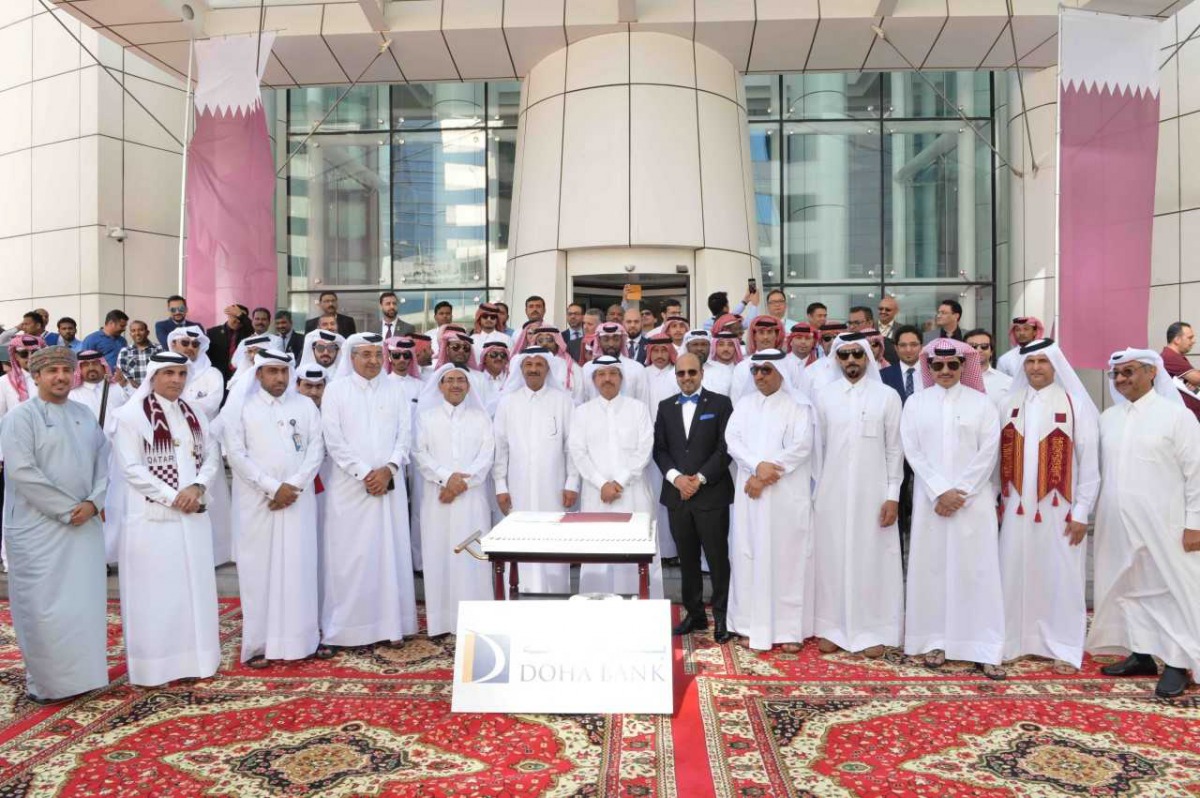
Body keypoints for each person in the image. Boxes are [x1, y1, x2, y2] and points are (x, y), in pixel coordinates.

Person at [1087, 348, 1200, 698]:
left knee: (1172, 592)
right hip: (1118, 524)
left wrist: (1195, 523)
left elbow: (1196, 473)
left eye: (1129, 372)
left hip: (1165, 525)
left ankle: (1179, 664)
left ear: (1152, 373)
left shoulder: (1176, 417)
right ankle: (1141, 654)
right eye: (1116, 374)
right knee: (1128, 589)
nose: (1121, 380)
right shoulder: (1109, 417)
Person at [0, 347, 109, 703]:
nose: (61, 376)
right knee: (44, 609)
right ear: (37, 376)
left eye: (66, 369)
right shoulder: (20, 417)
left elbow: (103, 461)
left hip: (85, 524)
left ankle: (84, 677)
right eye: (52, 371)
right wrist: (67, 509)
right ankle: (48, 685)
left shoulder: (84, 414)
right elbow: (21, 472)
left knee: (84, 604)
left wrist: (94, 502)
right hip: (38, 530)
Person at [113, 351, 222, 686]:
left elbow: (212, 455)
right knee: (158, 594)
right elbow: (131, 468)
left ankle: (199, 661)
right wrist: (176, 496)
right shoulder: (131, 415)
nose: (176, 380)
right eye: (169, 373)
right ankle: (156, 668)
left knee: (195, 590)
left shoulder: (196, 414)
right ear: (154, 376)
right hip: (153, 520)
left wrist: (199, 487)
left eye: (181, 373)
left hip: (193, 515)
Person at [900, 339, 1005, 679]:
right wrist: (939, 490)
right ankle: (934, 640)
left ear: (964, 366)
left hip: (972, 504)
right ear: (928, 368)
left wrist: (960, 492)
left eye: (952, 365)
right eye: (938, 366)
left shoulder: (983, 404)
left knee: (977, 571)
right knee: (932, 570)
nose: (945, 371)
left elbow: (989, 452)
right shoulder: (915, 404)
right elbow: (912, 451)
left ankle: (983, 645)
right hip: (932, 503)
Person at [221, 349, 330, 668]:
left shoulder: (305, 405)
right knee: (260, 570)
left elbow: (316, 449)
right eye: (272, 372)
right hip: (258, 502)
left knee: (299, 568)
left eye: (284, 371)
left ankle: (301, 640)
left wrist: (293, 486)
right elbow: (236, 455)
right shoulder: (241, 407)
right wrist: (272, 487)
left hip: (298, 499)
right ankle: (258, 644)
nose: (279, 378)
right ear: (258, 374)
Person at [996, 339, 1100, 674]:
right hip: (1014, 509)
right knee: (1012, 571)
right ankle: (1015, 641)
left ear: (1055, 365)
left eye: (1043, 361)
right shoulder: (1008, 402)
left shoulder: (1075, 405)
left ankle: (1063, 647)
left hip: (1060, 509)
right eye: (1030, 362)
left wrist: (1083, 512)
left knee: (1061, 575)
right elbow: (994, 460)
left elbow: (1089, 464)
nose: (1036, 368)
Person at [319, 332, 418, 648]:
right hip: (351, 488)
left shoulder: (395, 390)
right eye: (366, 355)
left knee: (390, 553)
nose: (374, 360)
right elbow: (333, 440)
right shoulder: (336, 391)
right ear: (352, 358)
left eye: (378, 354)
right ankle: (347, 628)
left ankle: (392, 625)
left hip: (389, 485)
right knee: (351, 557)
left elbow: (406, 434)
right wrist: (365, 473)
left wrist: (388, 468)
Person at [812, 334, 904, 658]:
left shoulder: (887, 396)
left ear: (867, 357)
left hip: (874, 494)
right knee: (833, 559)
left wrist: (892, 495)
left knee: (872, 561)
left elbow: (895, 450)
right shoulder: (824, 396)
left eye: (857, 354)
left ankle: (873, 630)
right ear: (837, 359)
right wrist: (816, 494)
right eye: (844, 355)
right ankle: (832, 628)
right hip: (831, 493)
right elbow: (817, 450)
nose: (851, 360)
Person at [725, 349, 817, 652]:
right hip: (751, 492)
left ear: (781, 371)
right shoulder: (744, 404)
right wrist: (755, 466)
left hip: (785, 495)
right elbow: (732, 440)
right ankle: (748, 624)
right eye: (756, 371)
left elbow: (801, 446)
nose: (760, 376)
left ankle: (789, 630)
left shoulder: (799, 406)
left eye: (766, 370)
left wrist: (764, 473)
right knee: (748, 553)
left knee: (786, 558)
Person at [654, 353, 735, 642]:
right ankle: (696, 614)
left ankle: (724, 617)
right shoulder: (665, 407)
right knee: (687, 559)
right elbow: (660, 449)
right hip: (678, 497)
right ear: (675, 376)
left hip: (711, 494)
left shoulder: (720, 403)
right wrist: (677, 478)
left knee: (717, 559)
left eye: (692, 372)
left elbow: (725, 448)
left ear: (702, 373)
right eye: (681, 373)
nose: (686, 378)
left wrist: (699, 479)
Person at [568, 356, 662, 597]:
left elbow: (645, 448)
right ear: (594, 380)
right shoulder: (581, 412)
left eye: (612, 373)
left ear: (621, 378)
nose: (607, 378)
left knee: (635, 553)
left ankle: (638, 609)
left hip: (632, 493)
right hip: (596, 495)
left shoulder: (638, 409)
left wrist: (618, 481)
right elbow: (577, 452)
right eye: (601, 374)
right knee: (598, 553)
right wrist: (602, 484)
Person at [414, 364, 496, 635]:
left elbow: (487, 456)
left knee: (471, 558)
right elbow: (420, 454)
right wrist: (446, 478)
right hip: (438, 498)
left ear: (468, 386)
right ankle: (442, 623)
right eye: (449, 381)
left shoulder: (481, 418)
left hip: (471, 500)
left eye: (461, 381)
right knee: (439, 556)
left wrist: (462, 484)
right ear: (440, 386)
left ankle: (475, 622)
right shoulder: (426, 418)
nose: (456, 385)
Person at [492, 347, 579, 593]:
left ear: (547, 368)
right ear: (521, 369)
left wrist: (572, 483)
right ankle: (518, 597)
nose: (533, 369)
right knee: (519, 542)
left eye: (539, 364)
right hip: (516, 488)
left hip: (554, 488)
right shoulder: (508, 402)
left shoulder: (563, 401)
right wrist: (500, 486)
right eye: (528, 365)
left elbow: (571, 445)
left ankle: (554, 598)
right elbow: (501, 447)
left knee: (552, 542)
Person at [582, 322, 649, 404]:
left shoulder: (637, 368)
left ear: (622, 340)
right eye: (606, 339)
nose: (611, 344)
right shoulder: (588, 368)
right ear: (599, 341)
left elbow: (643, 403)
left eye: (616, 339)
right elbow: (583, 402)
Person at [1159, 321, 1200, 421]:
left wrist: (1194, 383)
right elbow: (1197, 379)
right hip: (1186, 418)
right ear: (1177, 339)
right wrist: (1195, 379)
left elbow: (1192, 382)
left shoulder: (1175, 357)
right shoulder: (1170, 356)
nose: (1193, 341)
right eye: (1189, 338)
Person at [966, 328, 1011, 406]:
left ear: (991, 352)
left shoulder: (1007, 382)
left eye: (984, 346)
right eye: (973, 346)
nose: (979, 350)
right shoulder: (954, 380)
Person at [206, 304, 251, 383]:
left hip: (240, 378)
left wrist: (240, 314)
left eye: (241, 318)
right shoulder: (213, 333)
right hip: (217, 378)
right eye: (235, 317)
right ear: (229, 315)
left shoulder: (248, 333)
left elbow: (253, 327)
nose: (238, 321)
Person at [116, 320, 162, 390]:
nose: (137, 333)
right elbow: (123, 374)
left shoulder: (159, 349)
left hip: (155, 392)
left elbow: (164, 371)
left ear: (147, 332)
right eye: (133, 331)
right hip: (133, 394)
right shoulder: (124, 352)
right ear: (130, 334)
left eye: (141, 330)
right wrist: (139, 390)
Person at [703, 331, 741, 396]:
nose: (726, 349)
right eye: (721, 345)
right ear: (715, 347)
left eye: (730, 345)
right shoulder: (705, 370)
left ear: (736, 348)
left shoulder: (742, 369)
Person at [892, 325, 924, 403]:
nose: (908, 350)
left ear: (921, 346)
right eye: (903, 345)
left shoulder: (932, 373)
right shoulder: (883, 376)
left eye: (913, 344)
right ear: (896, 348)